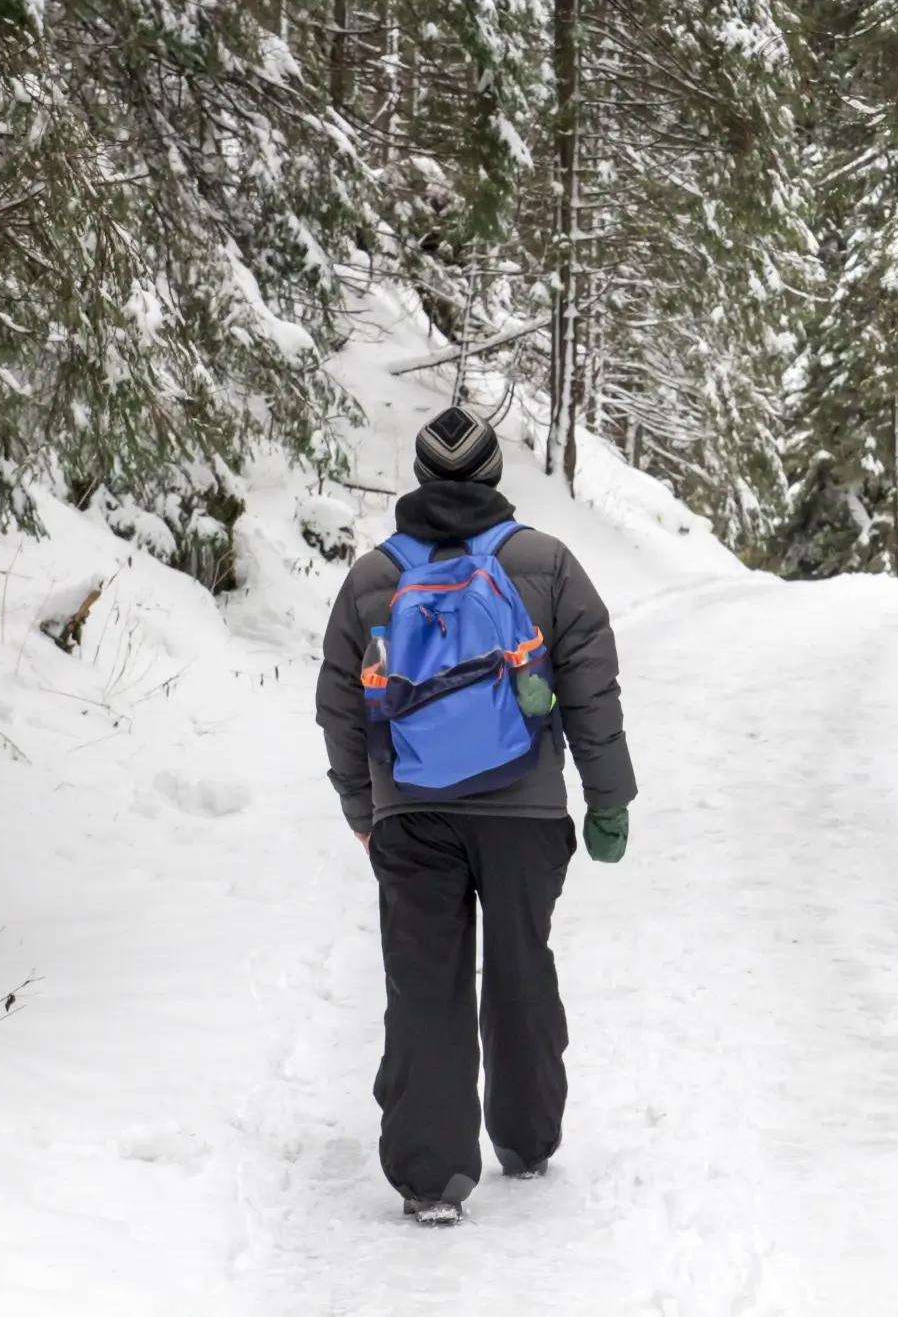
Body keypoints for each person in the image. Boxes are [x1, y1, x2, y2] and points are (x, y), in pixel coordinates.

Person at [314, 406, 635, 1227]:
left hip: (412, 814)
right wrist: (608, 796)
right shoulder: (548, 563)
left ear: (422, 478)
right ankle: (527, 1141)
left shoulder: (373, 578)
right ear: (495, 474)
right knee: (522, 965)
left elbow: (342, 710)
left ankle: (431, 1178)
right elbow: (592, 690)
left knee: (424, 984)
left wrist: (364, 807)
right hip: (525, 810)